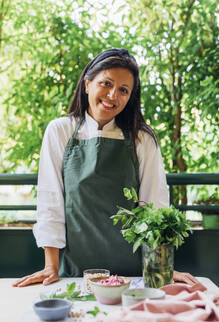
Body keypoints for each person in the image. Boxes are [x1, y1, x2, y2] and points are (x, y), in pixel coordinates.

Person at [13, 48, 201, 288]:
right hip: (74, 273)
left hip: (133, 274)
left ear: (130, 97)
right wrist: (51, 266)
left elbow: (154, 205)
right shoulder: (60, 131)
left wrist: (161, 266)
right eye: (106, 83)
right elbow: (51, 201)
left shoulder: (142, 138)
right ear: (87, 83)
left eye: (123, 90)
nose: (113, 95)